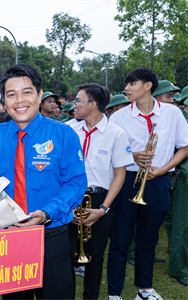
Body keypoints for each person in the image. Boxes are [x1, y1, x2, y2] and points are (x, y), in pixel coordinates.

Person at [0, 63, 87, 300]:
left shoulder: (63, 134)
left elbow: (76, 182)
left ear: (39, 94)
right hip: (9, 239)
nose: (19, 100)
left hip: (52, 236)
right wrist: (0, 214)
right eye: (11, 94)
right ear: (3, 99)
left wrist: (47, 213)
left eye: (26, 92)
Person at [107, 68, 188, 300]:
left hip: (158, 181)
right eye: (127, 84)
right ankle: (114, 293)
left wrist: (164, 168)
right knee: (120, 240)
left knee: (148, 239)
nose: (127, 88)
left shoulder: (172, 113)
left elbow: (185, 145)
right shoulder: (119, 116)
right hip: (127, 181)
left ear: (148, 86)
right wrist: (132, 156)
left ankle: (144, 289)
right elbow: (111, 151)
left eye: (132, 83)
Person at [69, 83, 133, 300]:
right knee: (67, 253)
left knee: (95, 256)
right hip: (71, 197)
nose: (74, 104)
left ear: (93, 105)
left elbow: (120, 175)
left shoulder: (116, 134)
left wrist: (103, 209)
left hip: (99, 198)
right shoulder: (70, 130)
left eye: (78, 100)